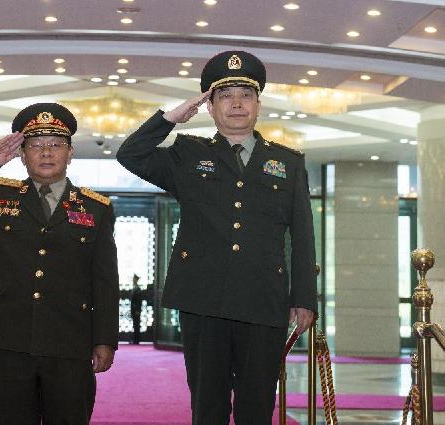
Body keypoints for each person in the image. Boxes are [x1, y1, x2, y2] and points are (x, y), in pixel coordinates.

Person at [117, 51, 317, 425]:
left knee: (256, 406)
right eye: (225, 95)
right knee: (207, 405)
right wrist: (170, 119)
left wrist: (304, 297)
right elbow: (130, 154)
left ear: (259, 104)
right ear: (210, 106)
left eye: (245, 94)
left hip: (263, 300)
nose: (237, 103)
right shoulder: (187, 153)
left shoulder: (288, 163)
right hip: (203, 298)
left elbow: (303, 234)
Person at [0, 103, 119, 425]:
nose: (46, 152)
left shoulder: (96, 208)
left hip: (70, 340)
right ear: (22, 154)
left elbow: (104, 279)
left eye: (55, 144)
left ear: (70, 152)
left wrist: (104, 339)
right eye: (36, 145)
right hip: (9, 337)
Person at [129, 274, 143, 344]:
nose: (133, 280)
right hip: (134, 310)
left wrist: (138, 310)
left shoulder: (138, 289)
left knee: (136, 325)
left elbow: (139, 301)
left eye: (134, 279)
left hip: (136, 311)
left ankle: (136, 340)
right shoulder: (135, 288)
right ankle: (135, 339)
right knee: (135, 325)